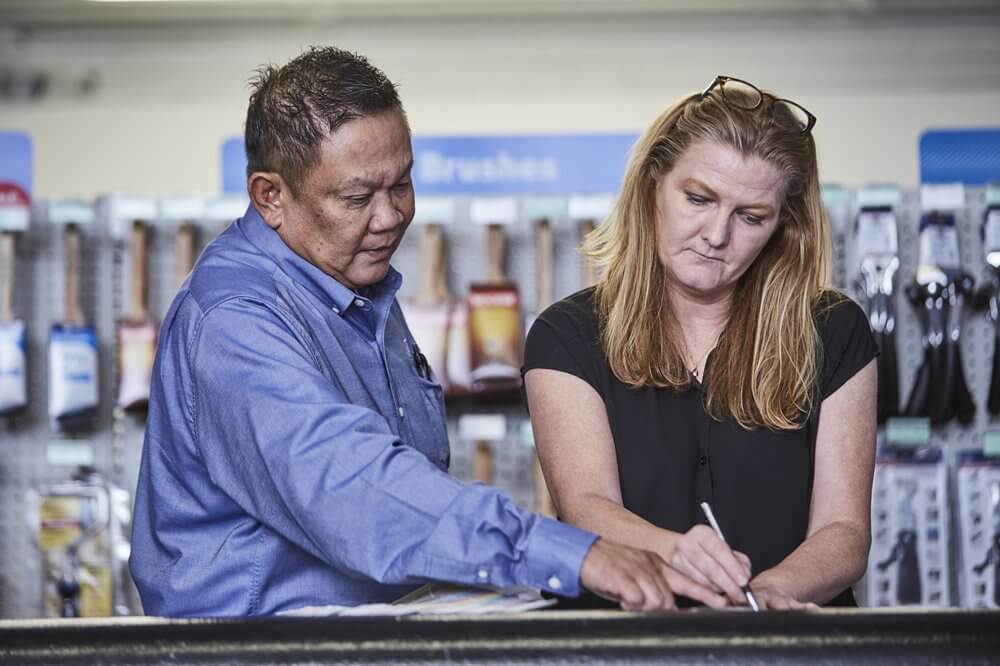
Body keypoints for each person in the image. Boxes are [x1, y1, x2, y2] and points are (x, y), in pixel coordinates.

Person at [128, 47, 725, 617]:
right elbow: (351, 487)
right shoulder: (236, 319)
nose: (389, 218)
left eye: (402, 185)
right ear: (270, 197)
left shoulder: (352, 288)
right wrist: (567, 552)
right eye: (357, 197)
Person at [523, 75, 877, 610]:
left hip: (786, 644)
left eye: (751, 217)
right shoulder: (567, 337)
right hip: (623, 644)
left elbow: (844, 531)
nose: (717, 235)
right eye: (698, 198)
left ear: (785, 226)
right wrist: (678, 556)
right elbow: (587, 507)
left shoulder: (833, 331)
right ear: (651, 187)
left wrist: (765, 597)